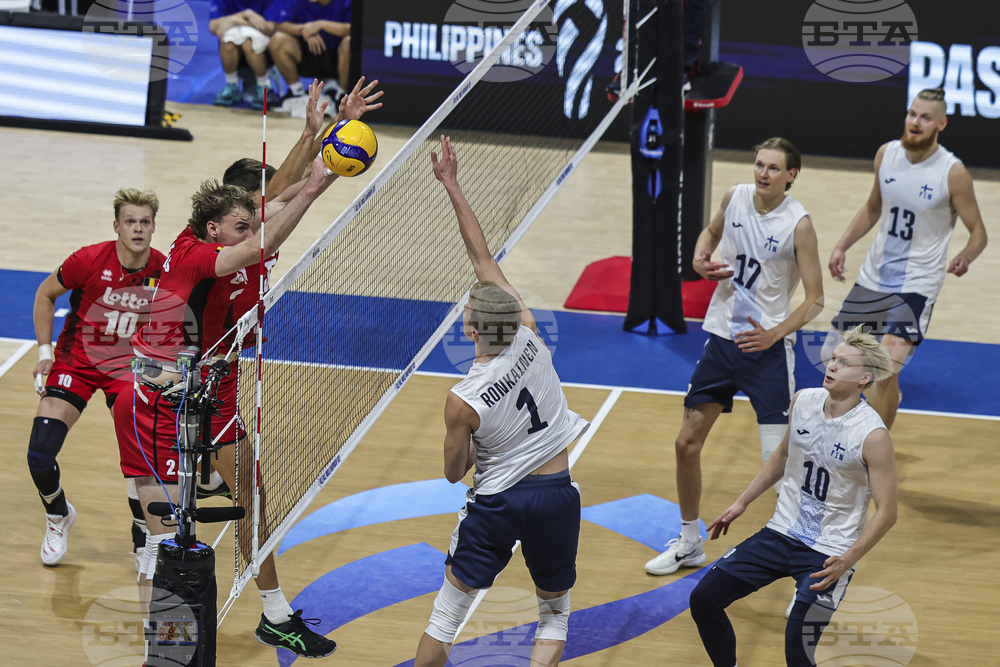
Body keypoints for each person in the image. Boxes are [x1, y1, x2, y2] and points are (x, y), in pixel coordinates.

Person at [113, 99, 342, 656]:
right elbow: (273, 220)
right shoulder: (194, 254)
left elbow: (276, 201)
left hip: (210, 385)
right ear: (215, 228)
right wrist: (312, 189)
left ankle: (275, 614)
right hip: (155, 398)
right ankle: (162, 651)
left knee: (253, 498)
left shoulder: (233, 233)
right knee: (162, 540)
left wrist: (320, 143)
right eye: (243, 223)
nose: (255, 228)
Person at [412, 136, 590, 667]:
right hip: (556, 493)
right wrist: (453, 184)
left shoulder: (461, 400)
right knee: (553, 614)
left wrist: (472, 441)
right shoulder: (530, 332)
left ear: (469, 328)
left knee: (445, 619)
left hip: (498, 502)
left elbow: (453, 473)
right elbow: (483, 255)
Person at [645, 138, 825, 577]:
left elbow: (816, 299)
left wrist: (774, 334)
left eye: (773, 168)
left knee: (780, 464)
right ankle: (690, 542)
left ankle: (805, 562)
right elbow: (711, 231)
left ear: (791, 175)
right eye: (759, 164)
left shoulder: (798, 224)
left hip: (767, 352)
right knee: (686, 442)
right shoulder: (736, 196)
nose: (762, 173)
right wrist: (700, 257)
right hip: (722, 340)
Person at [688, 325, 898, 667]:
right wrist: (742, 502)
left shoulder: (872, 435)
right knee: (703, 599)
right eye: (832, 359)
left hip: (830, 552)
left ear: (865, 378)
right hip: (780, 532)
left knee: (798, 650)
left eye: (844, 363)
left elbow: (887, 511)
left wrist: (848, 560)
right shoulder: (803, 400)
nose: (831, 366)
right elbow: (783, 457)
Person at [826, 88, 988, 430]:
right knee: (844, 360)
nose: (916, 122)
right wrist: (842, 245)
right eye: (912, 114)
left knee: (884, 370)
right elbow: (873, 207)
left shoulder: (952, 172)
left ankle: (875, 451)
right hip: (875, 274)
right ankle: (874, 411)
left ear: (941, 123)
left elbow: (979, 233)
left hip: (918, 282)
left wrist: (966, 255)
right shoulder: (886, 154)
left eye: (925, 117)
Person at [28, 189, 164, 567]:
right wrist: (44, 352)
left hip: (128, 369)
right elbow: (44, 294)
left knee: (140, 462)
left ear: (153, 226)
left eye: (145, 221)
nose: (137, 228)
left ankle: (142, 541)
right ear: (116, 226)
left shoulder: (164, 269)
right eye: (130, 222)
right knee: (39, 454)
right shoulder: (88, 259)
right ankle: (58, 515)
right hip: (78, 361)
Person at [268, 0, 352, 112]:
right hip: (308, 54)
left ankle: (342, 95)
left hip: (338, 57)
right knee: (278, 39)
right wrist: (305, 30)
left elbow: (352, 28)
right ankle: (296, 92)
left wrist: (320, 25)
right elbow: (278, 25)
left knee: (349, 42)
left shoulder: (346, 2)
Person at [208, 0, 276, 109]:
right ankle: (231, 85)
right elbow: (213, 27)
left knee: (248, 43)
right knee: (228, 42)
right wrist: (242, 16)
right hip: (235, 48)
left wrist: (237, 22)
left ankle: (264, 86)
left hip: (266, 48)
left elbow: (270, 28)